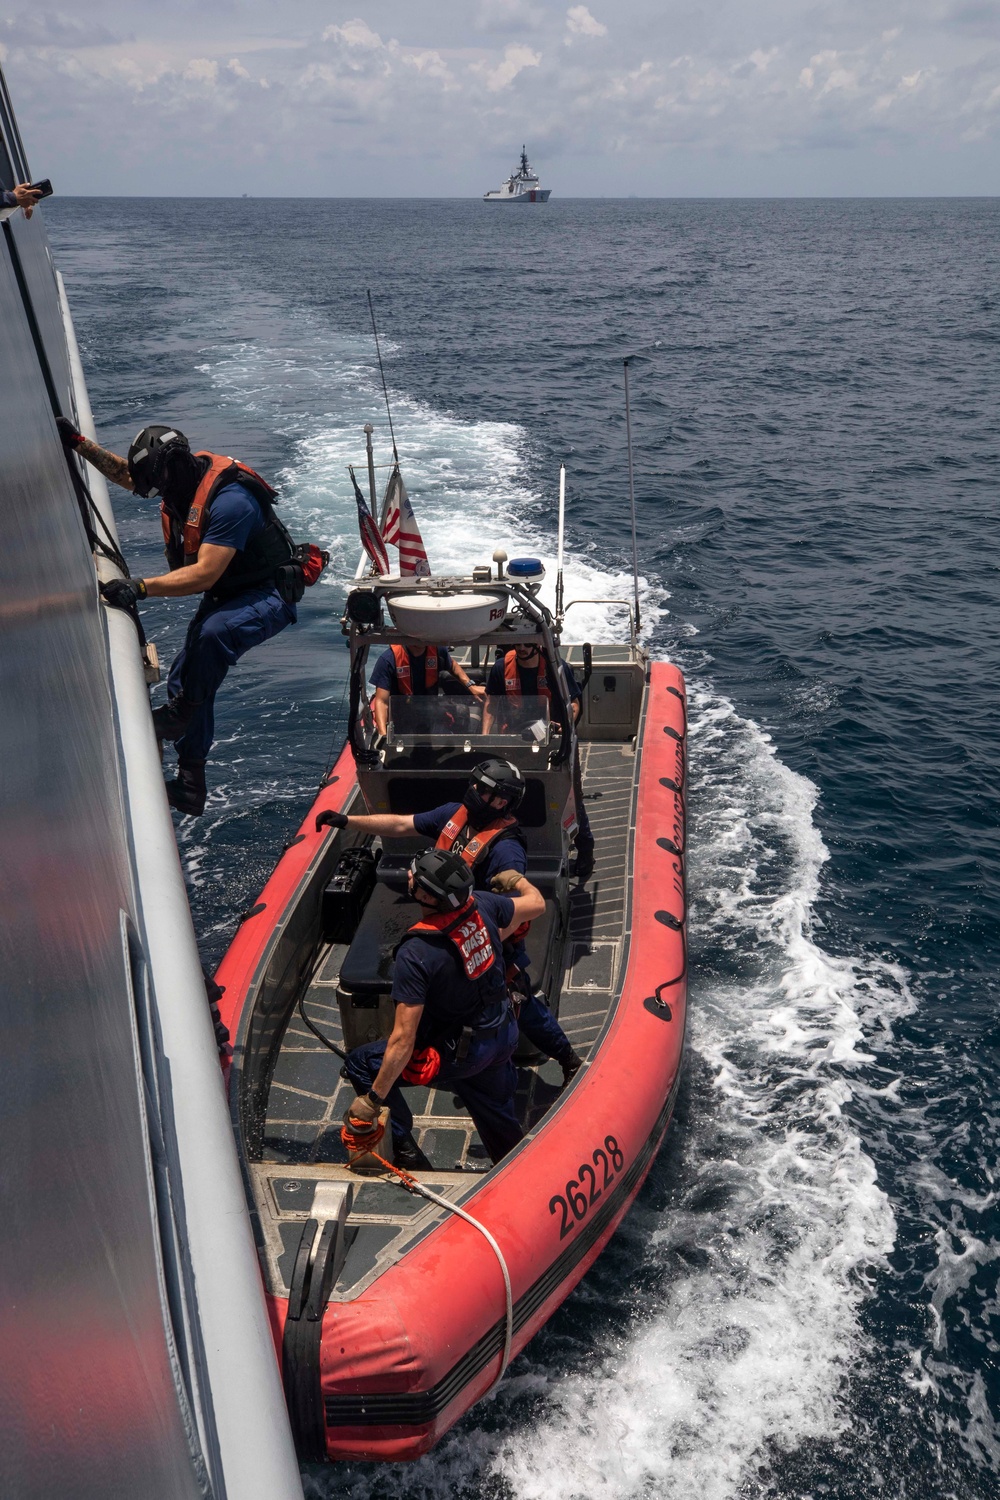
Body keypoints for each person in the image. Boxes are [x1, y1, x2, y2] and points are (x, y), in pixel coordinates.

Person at [57, 419, 299, 816]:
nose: (155, 492)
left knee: (213, 637)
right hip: (231, 592)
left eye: (158, 482)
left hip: (268, 594)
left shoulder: (231, 501)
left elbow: (204, 574)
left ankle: (179, 718)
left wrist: (140, 587)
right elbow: (127, 475)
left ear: (173, 467)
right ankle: (191, 785)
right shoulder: (178, 482)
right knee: (185, 678)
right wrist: (79, 443)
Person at [317, 758, 584, 1083]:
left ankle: (563, 1059)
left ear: (503, 802)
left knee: (515, 1000)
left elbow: (519, 907)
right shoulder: (454, 815)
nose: (474, 793)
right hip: (451, 930)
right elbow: (402, 825)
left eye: (484, 791)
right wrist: (347, 821)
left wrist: (481, 946)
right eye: (475, 785)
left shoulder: (506, 850)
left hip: (485, 939)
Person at [342, 849, 545, 1169]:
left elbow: (402, 1040)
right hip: (502, 1034)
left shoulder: (417, 952)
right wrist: (519, 880)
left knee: (360, 1063)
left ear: (425, 894)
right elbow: (537, 904)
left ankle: (406, 1148)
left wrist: (372, 1100)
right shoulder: (484, 904)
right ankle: (518, 1172)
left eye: (414, 875)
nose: (408, 875)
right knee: (495, 1113)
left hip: (458, 1053)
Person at [482, 641, 595, 879]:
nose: (522, 649)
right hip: (514, 741)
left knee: (570, 794)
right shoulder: (501, 669)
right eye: (518, 645)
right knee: (509, 795)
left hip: (553, 742)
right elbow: (491, 706)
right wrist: (485, 740)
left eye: (527, 645)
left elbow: (574, 703)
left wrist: (565, 730)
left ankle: (585, 851)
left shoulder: (557, 668)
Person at [369, 640, 485, 738]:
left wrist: (471, 685)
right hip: (403, 720)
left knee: (461, 713)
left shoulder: (437, 651)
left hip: (430, 714)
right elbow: (381, 702)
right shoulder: (389, 660)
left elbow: (452, 665)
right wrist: (383, 737)